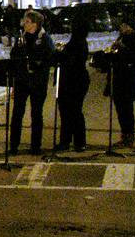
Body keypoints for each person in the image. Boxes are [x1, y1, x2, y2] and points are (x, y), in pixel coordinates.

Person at [9, 9, 54, 154]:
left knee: (36, 114)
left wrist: (38, 63)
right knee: (17, 113)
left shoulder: (45, 38)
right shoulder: (21, 38)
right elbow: (14, 57)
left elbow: (50, 58)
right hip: (22, 81)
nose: (24, 24)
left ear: (35, 24)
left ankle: (36, 146)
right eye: (24, 21)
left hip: (37, 82)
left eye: (27, 22)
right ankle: (13, 146)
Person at [52, 16, 91, 152]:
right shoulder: (78, 41)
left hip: (73, 80)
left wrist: (58, 54)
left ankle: (73, 141)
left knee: (71, 111)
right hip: (74, 79)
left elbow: (70, 60)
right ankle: (72, 141)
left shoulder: (78, 42)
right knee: (71, 112)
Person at [109, 13, 135, 148]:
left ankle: (129, 136)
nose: (122, 28)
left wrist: (122, 48)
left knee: (126, 109)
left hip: (128, 78)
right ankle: (125, 135)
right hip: (118, 76)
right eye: (121, 26)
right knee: (120, 108)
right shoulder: (122, 37)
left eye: (124, 26)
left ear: (130, 27)